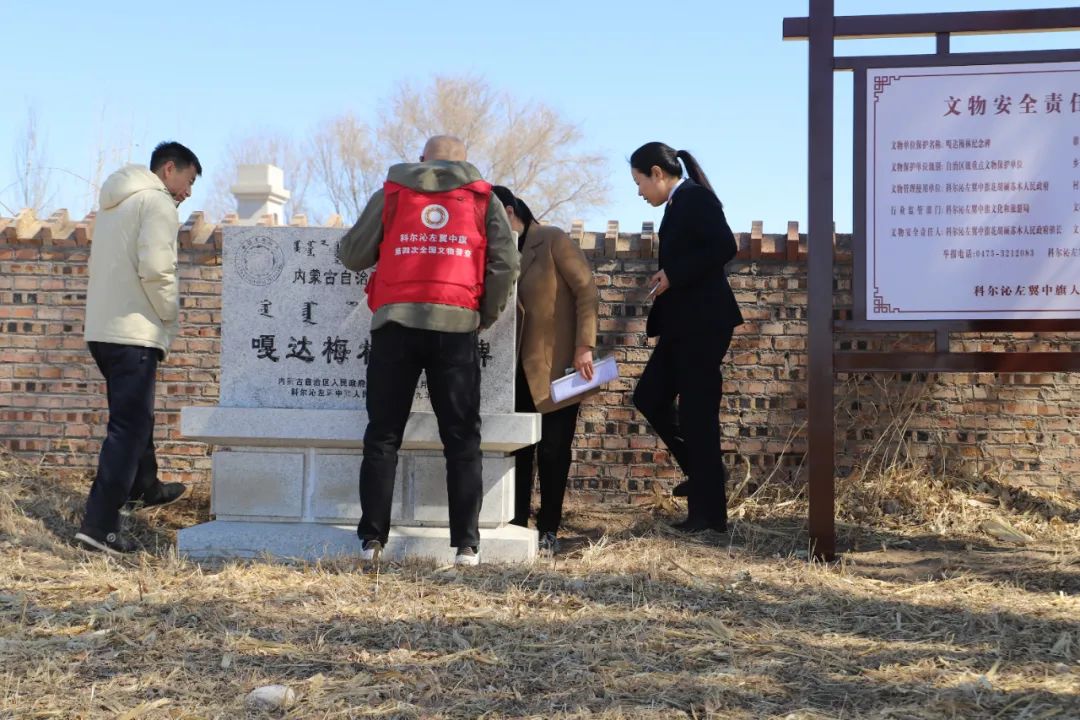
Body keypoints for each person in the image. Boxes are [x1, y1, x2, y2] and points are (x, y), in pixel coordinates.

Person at [338, 135, 519, 566]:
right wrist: (484, 314)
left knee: (383, 434)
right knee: (462, 438)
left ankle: (372, 542)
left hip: (396, 326)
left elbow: (353, 255)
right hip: (455, 328)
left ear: (422, 160)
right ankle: (466, 546)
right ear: (464, 162)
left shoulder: (392, 193)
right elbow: (506, 264)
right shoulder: (484, 199)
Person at [76, 141, 202, 555]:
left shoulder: (116, 204)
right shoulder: (158, 203)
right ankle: (99, 527)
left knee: (135, 416)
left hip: (103, 330)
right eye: (188, 180)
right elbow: (156, 269)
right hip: (134, 332)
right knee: (127, 430)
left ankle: (144, 487)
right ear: (169, 169)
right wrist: (170, 315)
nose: (188, 192)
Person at [629, 141, 743, 533]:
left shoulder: (694, 198)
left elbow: (725, 245)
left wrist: (674, 274)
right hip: (682, 326)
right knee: (649, 397)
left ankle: (708, 517)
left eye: (640, 182)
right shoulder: (678, 204)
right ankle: (704, 472)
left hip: (704, 325)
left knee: (698, 416)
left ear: (657, 173)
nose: (639, 192)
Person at [494, 186, 599, 555]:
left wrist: (584, 346)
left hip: (559, 366)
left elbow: (587, 290)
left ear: (509, 212)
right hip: (513, 368)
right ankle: (516, 527)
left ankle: (549, 528)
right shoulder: (497, 251)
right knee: (519, 449)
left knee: (554, 450)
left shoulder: (552, 239)